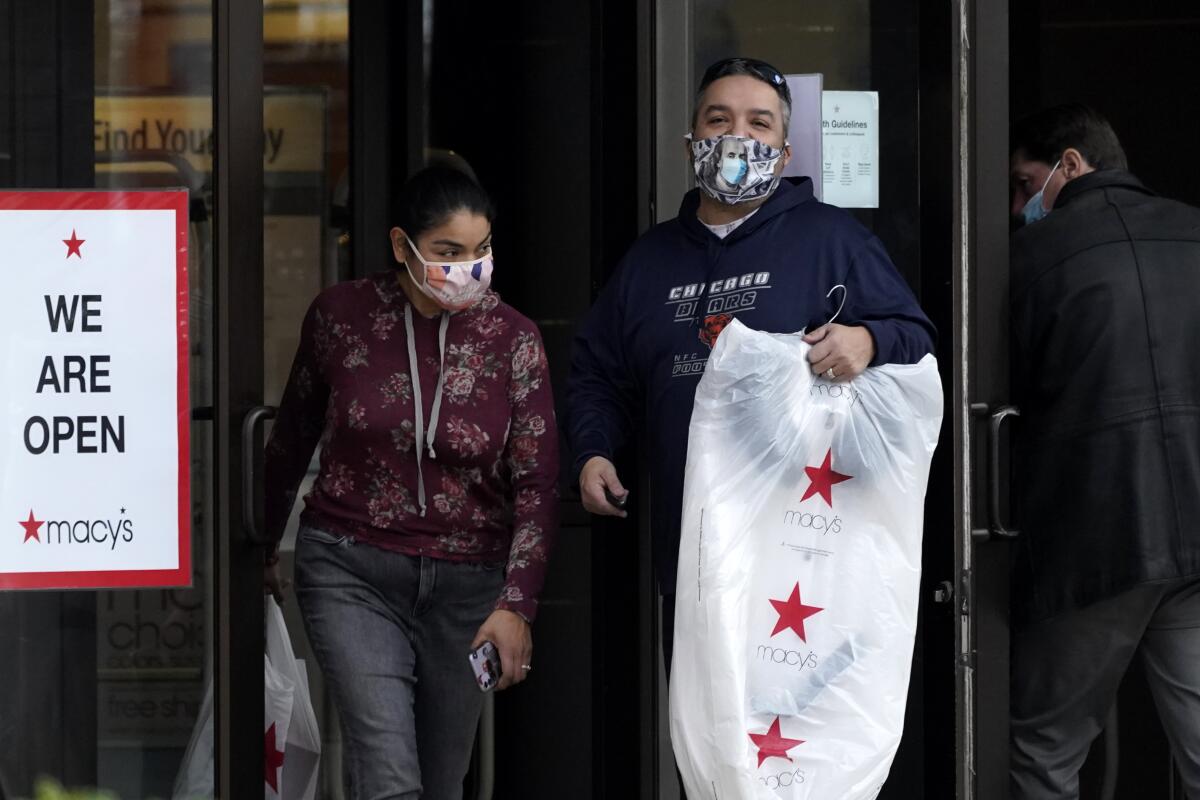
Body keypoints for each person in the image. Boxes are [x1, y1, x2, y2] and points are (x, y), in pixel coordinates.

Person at [565, 57, 936, 670]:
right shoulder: (648, 262)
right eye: (719, 119)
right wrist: (594, 450)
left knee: (796, 747)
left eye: (759, 123)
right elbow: (599, 373)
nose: (738, 136)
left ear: (785, 151)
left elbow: (915, 336)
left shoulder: (832, 242)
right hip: (694, 558)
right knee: (706, 746)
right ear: (692, 144)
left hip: (805, 562)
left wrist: (866, 341)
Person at [264, 164, 559, 800]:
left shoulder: (515, 340)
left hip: (470, 587)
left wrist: (516, 605)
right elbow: (291, 436)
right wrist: (261, 542)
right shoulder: (341, 317)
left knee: (441, 782)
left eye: (480, 251)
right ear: (403, 247)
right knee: (388, 774)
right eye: (448, 253)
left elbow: (537, 484)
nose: (469, 269)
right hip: (351, 568)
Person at [1008, 103, 1200, 799]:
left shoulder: (1029, 257)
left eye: (1025, 184)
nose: (1019, 205)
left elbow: (1006, 395)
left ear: (1071, 165)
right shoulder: (1194, 233)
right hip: (1196, 536)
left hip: (1095, 538)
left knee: (1044, 751)